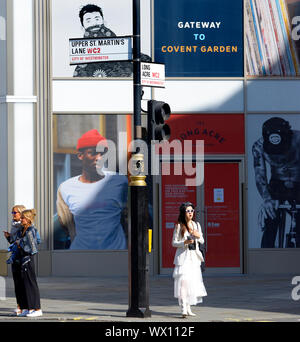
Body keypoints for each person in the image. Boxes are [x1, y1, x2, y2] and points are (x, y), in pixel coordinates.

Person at [56, 129, 128, 250]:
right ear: (80, 155)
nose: (99, 158)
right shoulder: (66, 188)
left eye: (103, 153)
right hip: (81, 257)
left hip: (116, 256)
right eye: (93, 153)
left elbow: (130, 218)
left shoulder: (119, 182)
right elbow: (67, 225)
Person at [252, 117, 300, 248]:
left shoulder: (298, 140)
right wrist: (267, 199)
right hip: (277, 184)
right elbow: (260, 175)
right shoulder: (259, 147)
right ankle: (266, 257)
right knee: (271, 221)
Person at [73, 3, 151, 77]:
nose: (94, 23)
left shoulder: (124, 50)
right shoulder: (82, 65)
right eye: (88, 20)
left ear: (104, 22)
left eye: (97, 19)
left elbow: (149, 66)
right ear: (82, 28)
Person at [172, 202, 207, 318]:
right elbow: (173, 243)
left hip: (194, 257)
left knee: (192, 282)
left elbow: (202, 240)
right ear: (183, 212)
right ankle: (183, 308)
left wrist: (197, 235)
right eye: (188, 211)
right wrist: (184, 243)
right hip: (183, 258)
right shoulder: (179, 226)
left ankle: (189, 308)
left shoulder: (196, 225)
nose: (190, 213)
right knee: (183, 283)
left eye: (192, 211)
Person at [10, 209, 42, 317]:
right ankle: (27, 308)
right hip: (22, 259)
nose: (21, 220)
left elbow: (33, 248)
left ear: (28, 219)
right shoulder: (22, 230)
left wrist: (21, 245)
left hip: (28, 260)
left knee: (31, 284)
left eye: (23, 218)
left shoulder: (30, 230)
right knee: (24, 285)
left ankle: (36, 308)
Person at [3, 205, 26, 316]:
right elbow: (13, 242)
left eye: (15, 212)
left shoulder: (24, 225)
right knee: (17, 283)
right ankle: (19, 306)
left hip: (22, 256)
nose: (13, 214)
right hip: (15, 256)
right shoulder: (13, 225)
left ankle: (25, 306)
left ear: (21, 213)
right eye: (12, 212)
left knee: (23, 283)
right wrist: (8, 237)